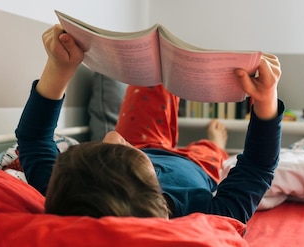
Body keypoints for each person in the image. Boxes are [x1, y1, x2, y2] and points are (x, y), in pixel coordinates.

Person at [15, 24, 284, 224]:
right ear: (153, 184)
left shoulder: (68, 190)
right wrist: (266, 101)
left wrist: (59, 67)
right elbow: (257, 169)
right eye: (113, 149)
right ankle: (216, 141)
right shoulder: (203, 212)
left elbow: (34, 140)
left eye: (98, 147)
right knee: (211, 150)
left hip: (143, 141)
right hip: (197, 164)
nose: (112, 135)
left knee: (155, 74)